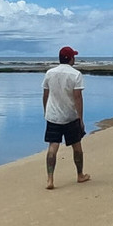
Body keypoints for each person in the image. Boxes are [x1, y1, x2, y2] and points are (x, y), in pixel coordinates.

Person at [42, 46, 90, 189]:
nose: (74, 59)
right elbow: (78, 97)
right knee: (77, 146)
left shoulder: (50, 73)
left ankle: (50, 179)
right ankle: (80, 174)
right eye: (73, 57)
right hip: (70, 116)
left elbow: (45, 94)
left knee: (53, 147)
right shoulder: (75, 74)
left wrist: (46, 111)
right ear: (70, 58)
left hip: (53, 116)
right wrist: (80, 118)